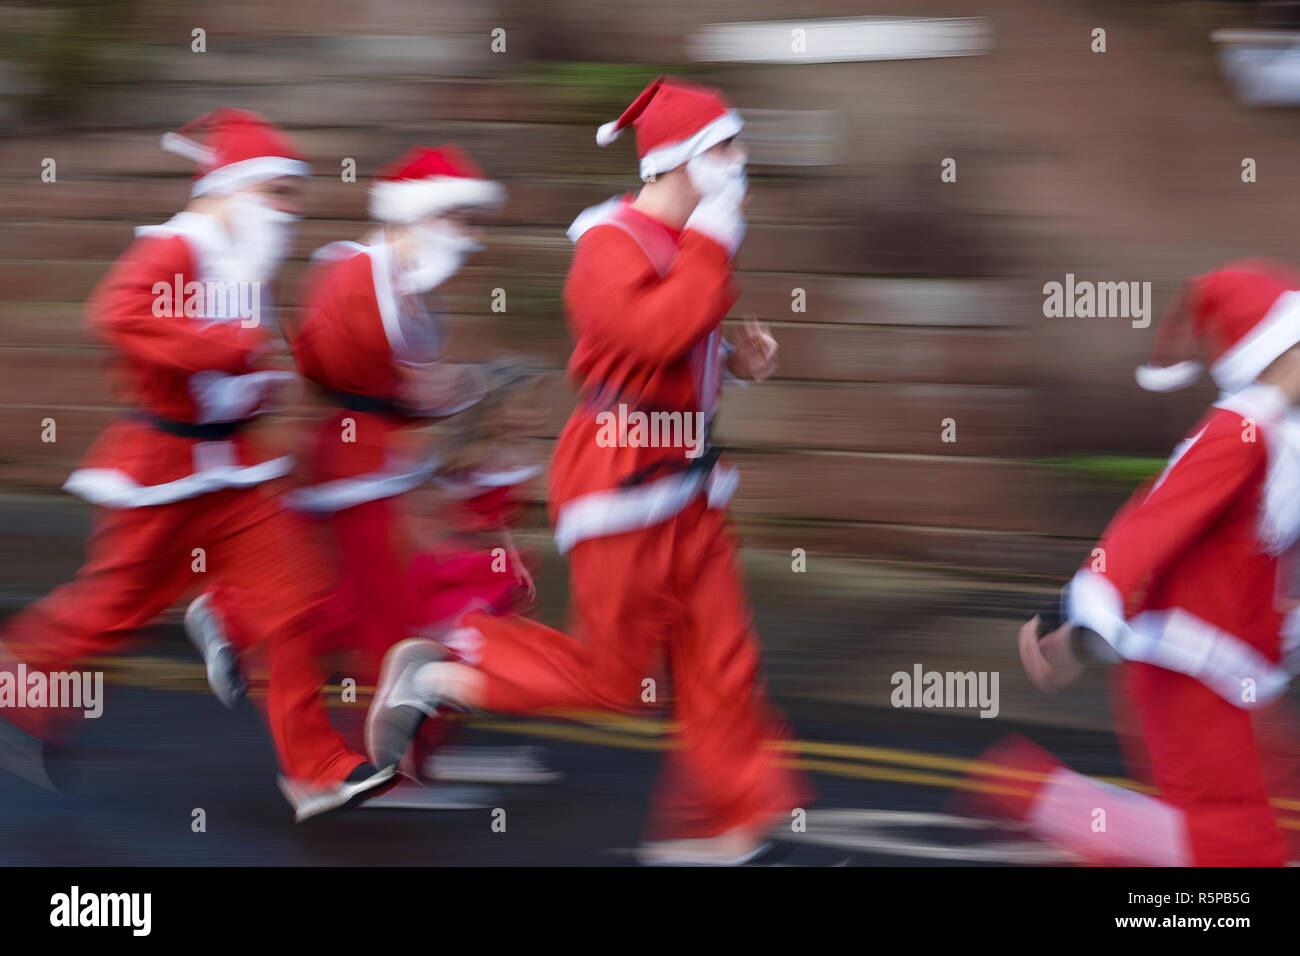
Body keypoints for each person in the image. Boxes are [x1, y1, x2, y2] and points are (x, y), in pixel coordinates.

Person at [366, 77, 808, 865]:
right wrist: (715, 240)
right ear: (686, 159)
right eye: (729, 149)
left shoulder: (689, 244)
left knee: (722, 659)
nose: (743, 164)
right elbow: (645, 338)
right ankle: (445, 668)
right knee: (615, 680)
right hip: (620, 484)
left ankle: (734, 821)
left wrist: (735, 365)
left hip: (690, 482)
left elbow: (676, 344)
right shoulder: (608, 244)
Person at [0, 109, 394, 821]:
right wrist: (225, 347)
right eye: (277, 192)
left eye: (292, 195)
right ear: (228, 188)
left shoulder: (247, 259)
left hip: (239, 473)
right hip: (161, 471)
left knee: (292, 611)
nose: (288, 210)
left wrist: (265, 376)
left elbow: (245, 353)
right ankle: (18, 684)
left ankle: (317, 770)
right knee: (111, 612)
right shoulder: (176, 246)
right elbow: (116, 317)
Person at [982, 261, 1300, 865]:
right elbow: (1154, 517)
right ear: (1277, 354)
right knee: (1232, 847)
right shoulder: (1243, 430)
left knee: (1244, 840)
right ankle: (1043, 799)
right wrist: (1083, 607)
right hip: (1188, 674)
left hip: (1232, 675)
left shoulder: (1285, 440)